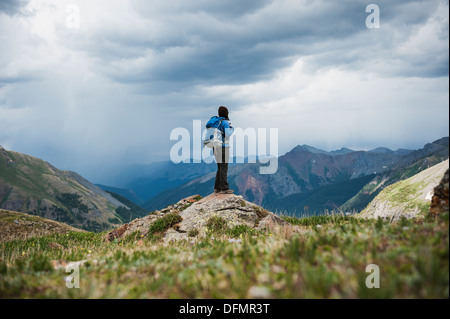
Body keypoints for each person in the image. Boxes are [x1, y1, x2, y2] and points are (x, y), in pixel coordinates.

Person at [206, 106, 234, 194]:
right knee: (224, 167)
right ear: (226, 113)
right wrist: (232, 128)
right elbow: (227, 134)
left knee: (219, 167)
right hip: (223, 147)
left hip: (215, 146)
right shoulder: (225, 122)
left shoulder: (216, 122)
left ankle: (217, 188)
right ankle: (224, 188)